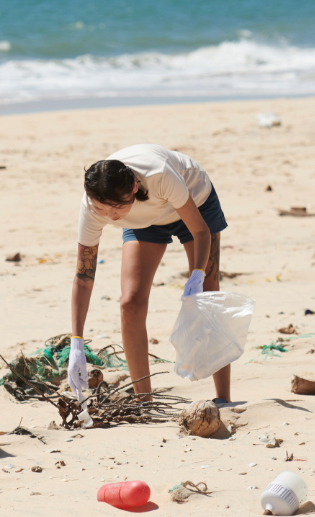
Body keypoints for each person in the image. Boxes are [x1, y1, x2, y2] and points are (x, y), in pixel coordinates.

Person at [68, 144, 228, 403]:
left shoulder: (159, 174)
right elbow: (84, 278)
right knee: (130, 303)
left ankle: (224, 398)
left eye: (116, 208)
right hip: (144, 221)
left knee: (208, 294)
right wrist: (76, 342)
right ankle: (145, 402)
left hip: (195, 202)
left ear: (133, 187)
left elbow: (200, 231)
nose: (111, 216)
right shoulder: (93, 206)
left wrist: (197, 274)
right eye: (102, 209)